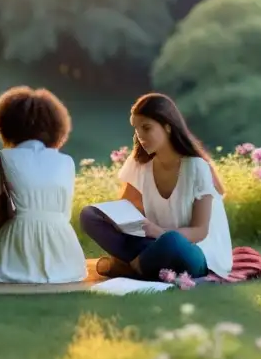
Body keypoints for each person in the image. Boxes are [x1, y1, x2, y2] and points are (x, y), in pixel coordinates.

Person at [79, 92, 232, 281]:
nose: (140, 136)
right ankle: (143, 265)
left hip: (194, 251)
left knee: (172, 241)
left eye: (146, 128)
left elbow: (200, 231)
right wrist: (120, 221)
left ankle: (132, 268)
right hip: (152, 244)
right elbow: (127, 209)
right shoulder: (139, 164)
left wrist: (159, 232)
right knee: (89, 215)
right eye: (136, 129)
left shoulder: (197, 167)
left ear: (167, 126)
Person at [0, 86, 87, 284]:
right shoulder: (67, 162)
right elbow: (64, 216)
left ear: (5, 124)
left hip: (15, 251)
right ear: (56, 127)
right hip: (65, 256)